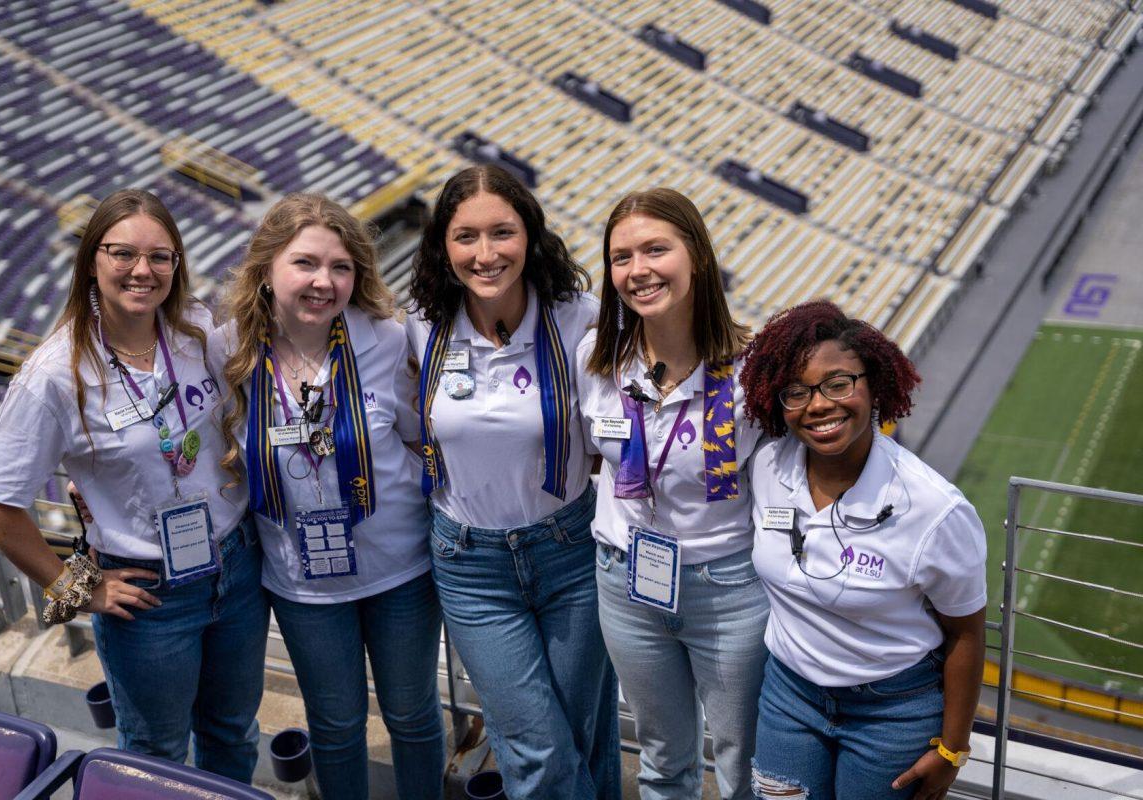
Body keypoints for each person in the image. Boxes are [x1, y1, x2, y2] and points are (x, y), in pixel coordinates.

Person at [0, 189, 266, 782]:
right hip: (149, 596)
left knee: (233, 734)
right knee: (154, 756)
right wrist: (78, 587)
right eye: (123, 253)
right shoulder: (55, 375)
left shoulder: (195, 330)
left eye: (160, 256)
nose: (142, 270)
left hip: (236, 568)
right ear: (91, 261)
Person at [214, 193, 445, 800]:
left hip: (401, 569)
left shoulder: (388, 340)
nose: (325, 282)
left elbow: (423, 440)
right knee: (337, 725)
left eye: (341, 267)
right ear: (267, 269)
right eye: (306, 264)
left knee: (413, 715)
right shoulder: (226, 350)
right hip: (303, 583)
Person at [406, 164, 620, 800]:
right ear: (442, 246)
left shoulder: (579, 316)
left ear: (530, 234)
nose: (485, 253)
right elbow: (401, 424)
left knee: (583, 731)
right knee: (535, 747)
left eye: (502, 232)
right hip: (471, 563)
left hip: (570, 549)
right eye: (465, 236)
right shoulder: (419, 324)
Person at [739, 300, 986, 800]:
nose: (819, 405)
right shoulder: (766, 466)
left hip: (892, 710)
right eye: (797, 391)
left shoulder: (935, 509)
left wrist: (952, 749)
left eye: (838, 383)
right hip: (789, 696)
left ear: (873, 386)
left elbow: (967, 635)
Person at [577, 187, 769, 800]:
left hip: (728, 589)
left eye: (656, 249)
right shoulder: (598, 358)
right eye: (621, 257)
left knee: (746, 765)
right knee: (663, 762)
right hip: (626, 580)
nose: (638, 271)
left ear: (698, 257)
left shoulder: (752, 369)